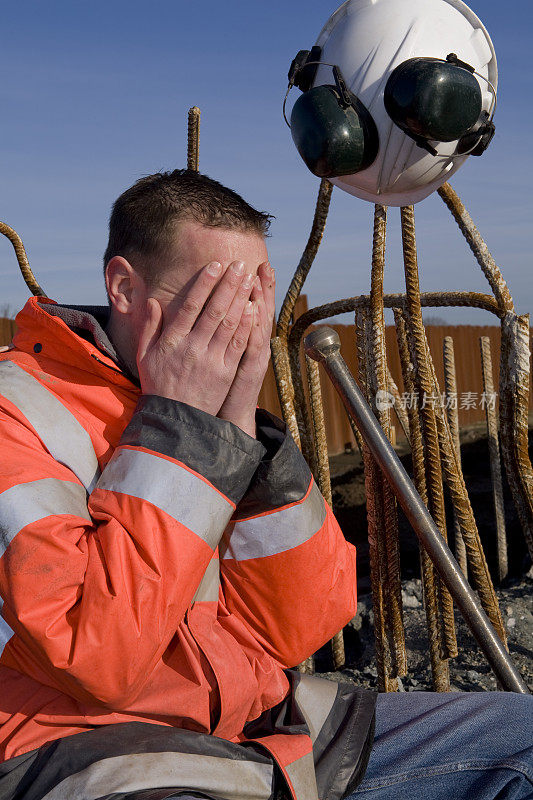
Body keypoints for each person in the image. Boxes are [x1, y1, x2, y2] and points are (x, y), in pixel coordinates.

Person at [0, 170, 531, 800]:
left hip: (256, 719)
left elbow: (300, 628)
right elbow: (98, 657)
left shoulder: (216, 415)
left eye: (252, 298)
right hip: (83, 744)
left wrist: (242, 430)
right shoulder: (18, 413)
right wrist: (184, 432)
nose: (238, 327)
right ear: (123, 287)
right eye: (212, 298)